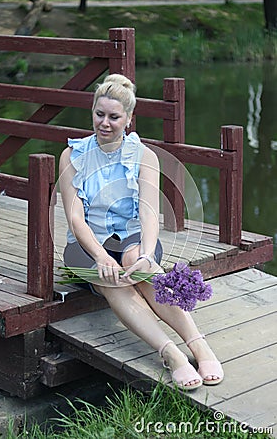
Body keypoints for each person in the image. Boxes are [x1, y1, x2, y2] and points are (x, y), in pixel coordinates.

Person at [59, 73, 224, 390]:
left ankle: (198, 344)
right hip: (86, 245)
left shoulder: (145, 157)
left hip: (136, 237)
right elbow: (75, 219)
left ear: (129, 119)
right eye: (99, 114)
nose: (105, 123)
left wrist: (148, 255)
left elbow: (150, 212)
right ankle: (171, 353)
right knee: (111, 278)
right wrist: (101, 256)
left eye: (114, 117)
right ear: (92, 111)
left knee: (140, 264)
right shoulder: (72, 156)